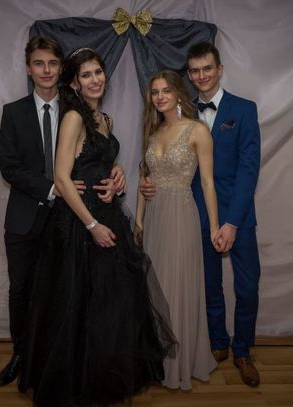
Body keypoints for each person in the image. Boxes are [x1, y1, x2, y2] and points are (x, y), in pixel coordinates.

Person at [17, 48, 176, 407]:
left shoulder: (104, 118)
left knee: (110, 308)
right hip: (79, 224)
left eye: (98, 72)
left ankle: (103, 377)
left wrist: (116, 176)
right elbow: (61, 177)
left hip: (107, 215)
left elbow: (100, 161)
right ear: (75, 82)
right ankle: (76, 384)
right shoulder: (74, 117)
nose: (95, 80)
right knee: (78, 307)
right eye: (86, 75)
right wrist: (91, 225)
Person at [0, 36, 124, 387]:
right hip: (28, 217)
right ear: (29, 69)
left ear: (62, 70)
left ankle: (55, 361)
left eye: (53, 63)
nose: (46, 70)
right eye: (39, 63)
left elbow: (94, 154)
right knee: (23, 291)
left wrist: (116, 171)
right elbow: (10, 167)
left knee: (63, 294)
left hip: (70, 221)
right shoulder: (14, 112)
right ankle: (21, 354)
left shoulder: (77, 109)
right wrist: (55, 188)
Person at [140, 42, 262, 387]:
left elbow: (249, 170)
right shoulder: (181, 112)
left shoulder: (244, 109)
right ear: (189, 76)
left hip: (237, 215)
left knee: (247, 287)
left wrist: (231, 222)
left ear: (219, 69)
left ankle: (243, 351)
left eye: (207, 68)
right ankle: (216, 343)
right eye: (194, 71)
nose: (201, 75)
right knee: (207, 287)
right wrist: (150, 185)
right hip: (192, 216)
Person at [134, 70, 222, 390]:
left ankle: (178, 365)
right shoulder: (153, 132)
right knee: (154, 288)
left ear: (178, 93)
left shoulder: (197, 131)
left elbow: (208, 183)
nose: (160, 97)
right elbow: (144, 180)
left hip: (181, 215)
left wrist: (214, 227)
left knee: (176, 285)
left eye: (165, 90)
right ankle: (156, 363)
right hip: (154, 216)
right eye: (154, 92)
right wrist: (138, 220)